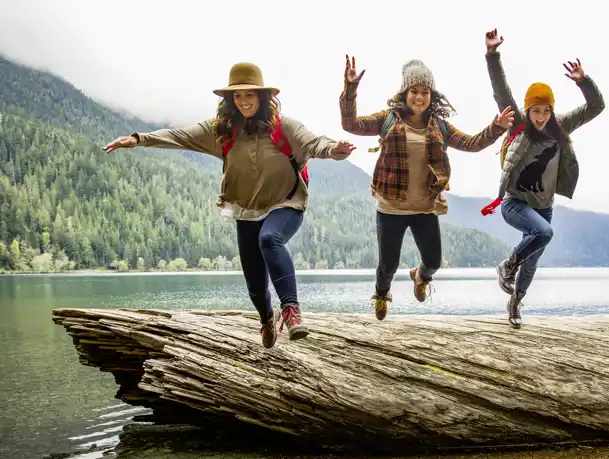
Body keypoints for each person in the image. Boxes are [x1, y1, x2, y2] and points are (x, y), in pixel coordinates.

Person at [103, 62, 355, 348]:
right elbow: (178, 136)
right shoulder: (221, 131)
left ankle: (292, 311)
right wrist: (137, 139)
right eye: (238, 95)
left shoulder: (284, 127)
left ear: (263, 97)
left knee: (270, 239)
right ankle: (265, 318)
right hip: (245, 210)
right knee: (255, 285)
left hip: (286, 204)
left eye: (250, 94)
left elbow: (314, 143)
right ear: (230, 100)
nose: (244, 100)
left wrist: (336, 150)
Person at [339, 55, 514, 320]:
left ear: (432, 94)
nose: (419, 97)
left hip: (425, 208)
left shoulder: (439, 126)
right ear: (404, 93)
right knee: (387, 265)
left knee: (433, 261)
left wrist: (496, 127)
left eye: (425, 92)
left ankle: (419, 277)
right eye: (414, 91)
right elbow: (351, 124)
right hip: (391, 208)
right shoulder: (388, 118)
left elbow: (472, 143)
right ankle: (381, 294)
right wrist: (350, 90)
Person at [483, 29, 605, 328]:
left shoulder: (561, 127)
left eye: (545, 111)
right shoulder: (519, 125)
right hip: (513, 203)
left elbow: (596, 107)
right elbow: (501, 90)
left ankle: (514, 304)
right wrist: (492, 54)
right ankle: (507, 265)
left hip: (544, 206)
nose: (540, 117)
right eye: (535, 111)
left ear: (552, 110)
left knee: (534, 258)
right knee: (545, 234)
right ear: (527, 110)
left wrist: (583, 82)